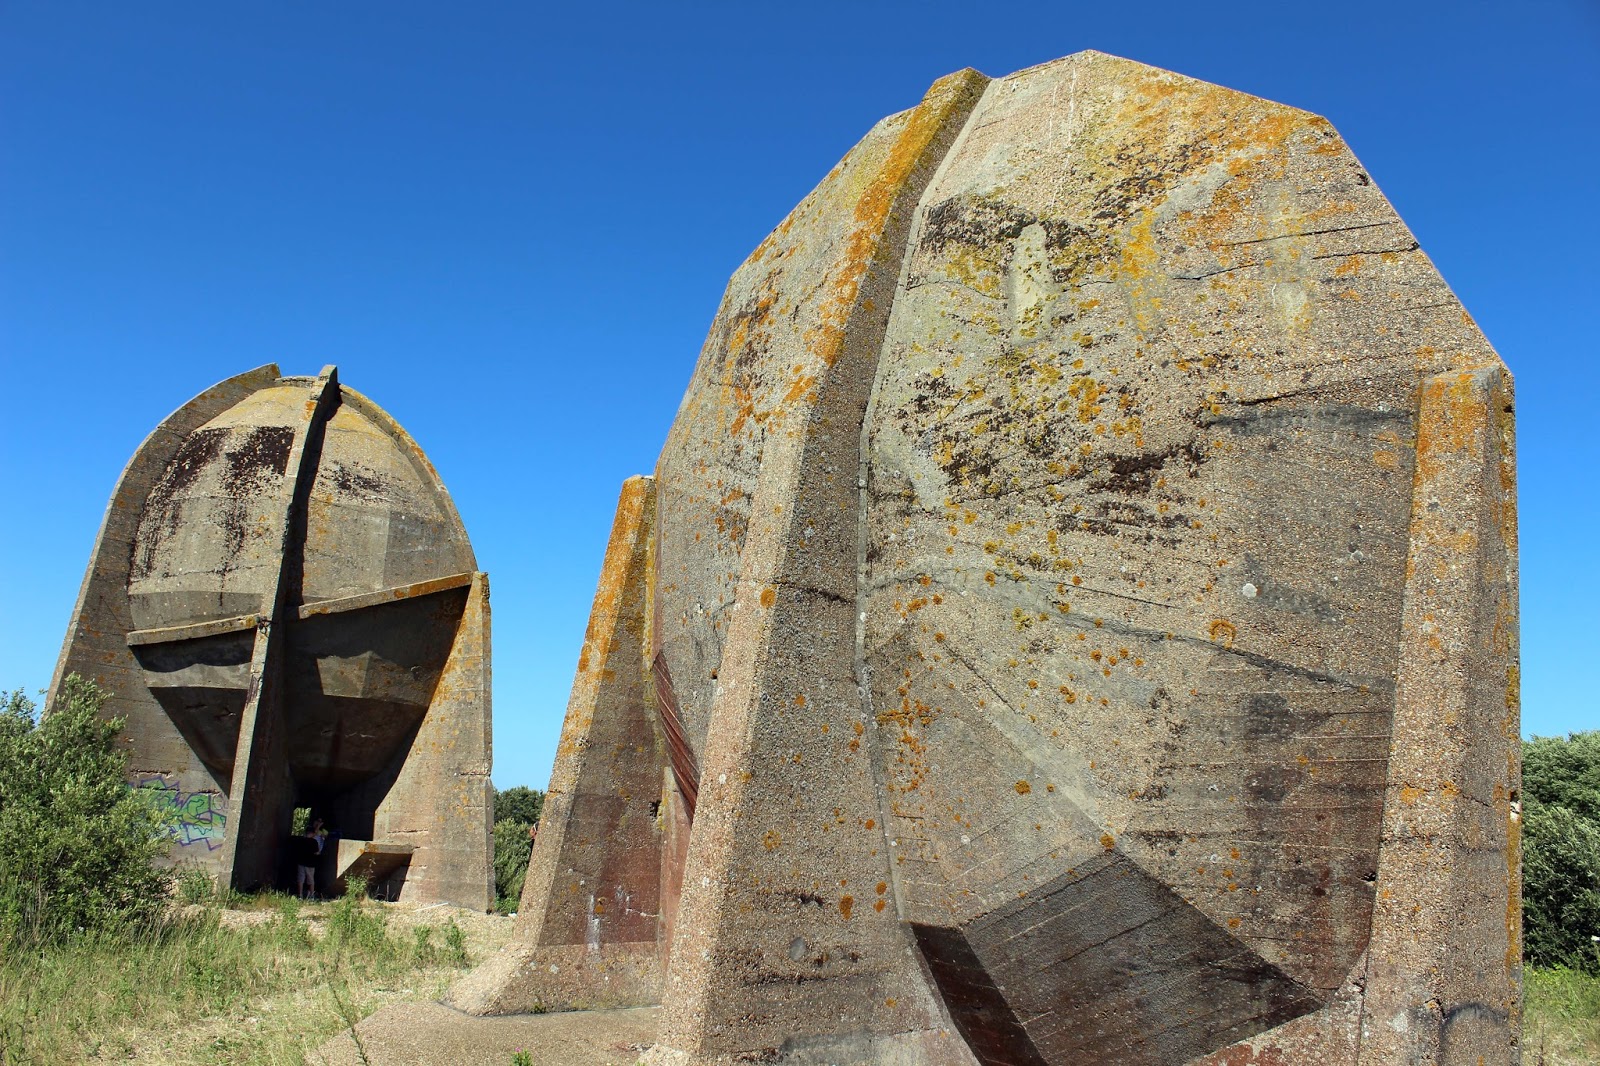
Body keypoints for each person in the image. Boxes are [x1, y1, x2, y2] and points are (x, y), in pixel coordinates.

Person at [294, 817, 326, 899]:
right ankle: (311, 896)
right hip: (310, 863)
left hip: (301, 862)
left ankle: (300, 895)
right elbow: (317, 852)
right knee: (311, 880)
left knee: (300, 879)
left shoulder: (301, 841)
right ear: (312, 833)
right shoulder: (314, 842)